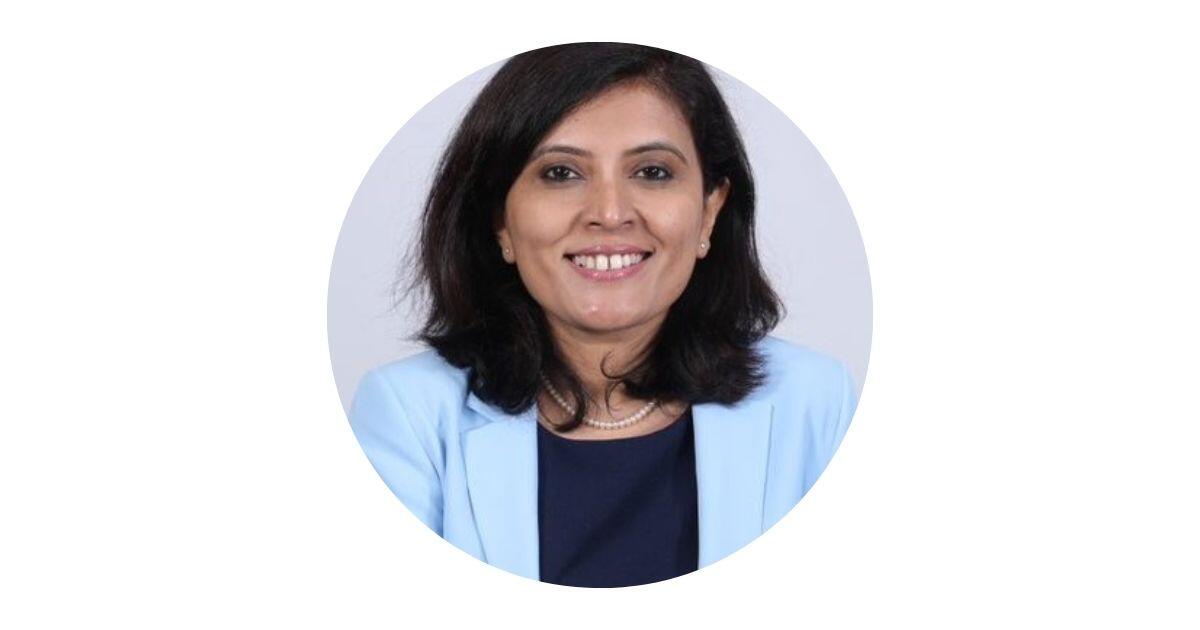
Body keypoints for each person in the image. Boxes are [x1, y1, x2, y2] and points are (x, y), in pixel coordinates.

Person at [347, 42, 858, 588]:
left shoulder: (816, 404)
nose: (610, 213)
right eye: (561, 173)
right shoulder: (409, 417)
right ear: (500, 221)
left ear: (710, 211)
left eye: (653, 172)